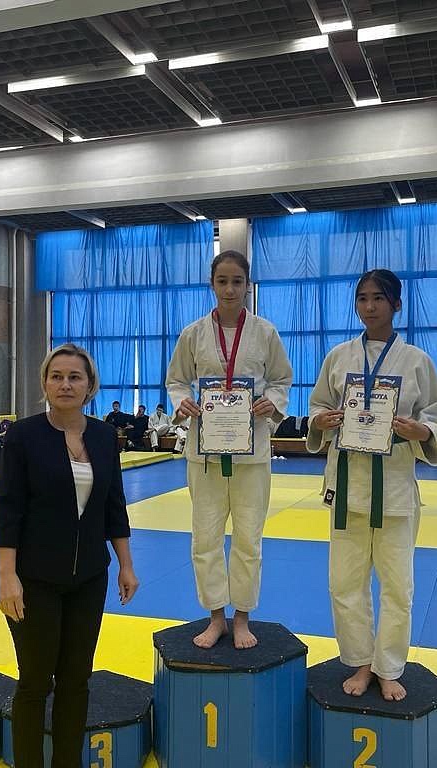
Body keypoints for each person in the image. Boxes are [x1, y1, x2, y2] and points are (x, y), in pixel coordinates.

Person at [0, 343, 138, 768]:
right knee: (35, 682)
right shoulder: (24, 436)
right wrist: (6, 576)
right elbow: (9, 509)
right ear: (44, 383)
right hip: (34, 578)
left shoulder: (104, 437)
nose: (65, 384)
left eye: (75, 377)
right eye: (56, 376)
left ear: (90, 385)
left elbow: (114, 504)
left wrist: (126, 565)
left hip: (89, 578)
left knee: (76, 681)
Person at [308, 269, 437, 702]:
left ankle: (389, 667)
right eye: (362, 298)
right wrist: (321, 421)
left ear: (396, 304)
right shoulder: (338, 357)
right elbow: (317, 407)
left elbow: (433, 415)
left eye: (379, 298)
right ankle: (361, 662)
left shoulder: (417, 361)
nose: (369, 306)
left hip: (396, 488)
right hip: (347, 484)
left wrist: (422, 431)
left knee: (398, 586)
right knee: (343, 584)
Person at [166, 249, 292, 649]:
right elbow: (176, 380)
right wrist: (183, 403)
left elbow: (282, 380)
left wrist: (272, 403)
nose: (230, 289)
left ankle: (242, 617)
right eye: (223, 281)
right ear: (212, 284)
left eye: (238, 281)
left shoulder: (265, 333)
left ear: (247, 285)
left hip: (251, 451)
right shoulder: (193, 334)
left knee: (248, 538)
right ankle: (216, 616)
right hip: (204, 450)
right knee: (205, 538)